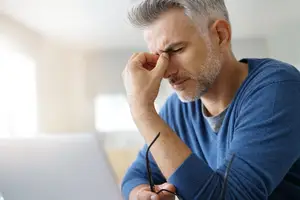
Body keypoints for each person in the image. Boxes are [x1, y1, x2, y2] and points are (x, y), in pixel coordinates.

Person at [121, 0, 300, 200]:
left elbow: (230, 197)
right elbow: (135, 176)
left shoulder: (278, 88)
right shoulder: (176, 109)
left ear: (220, 35)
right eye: (158, 57)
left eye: (176, 50)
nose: (165, 72)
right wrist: (141, 194)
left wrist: (142, 110)